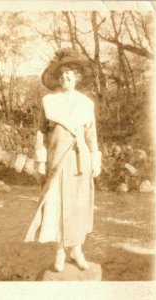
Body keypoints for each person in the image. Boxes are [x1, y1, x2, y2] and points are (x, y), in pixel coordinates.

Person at [24, 48, 101, 272]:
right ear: (57, 77)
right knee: (55, 206)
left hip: (80, 162)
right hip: (57, 161)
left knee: (78, 206)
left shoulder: (86, 104)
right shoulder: (49, 101)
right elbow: (40, 131)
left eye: (70, 72)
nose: (65, 76)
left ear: (77, 76)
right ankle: (59, 251)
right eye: (62, 73)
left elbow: (91, 136)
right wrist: (40, 160)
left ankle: (76, 249)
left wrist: (95, 161)